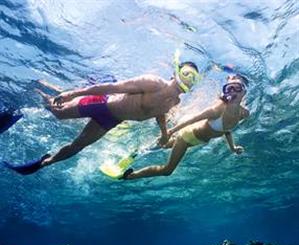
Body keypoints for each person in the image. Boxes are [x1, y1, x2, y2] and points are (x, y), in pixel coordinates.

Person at [4, 58, 201, 175]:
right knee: (57, 113)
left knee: (78, 146)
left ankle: (46, 161)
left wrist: (164, 133)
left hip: (110, 121)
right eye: (186, 73)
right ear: (176, 71)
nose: (188, 80)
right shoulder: (153, 83)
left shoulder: (175, 102)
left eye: (193, 78)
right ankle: (37, 86)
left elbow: (160, 115)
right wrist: (73, 93)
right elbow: (111, 87)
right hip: (101, 103)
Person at [122, 74, 250, 180]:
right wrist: (169, 132)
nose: (232, 92)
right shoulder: (217, 109)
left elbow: (226, 130)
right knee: (167, 171)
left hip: (195, 140)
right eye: (229, 88)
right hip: (186, 138)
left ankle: (136, 152)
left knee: (159, 147)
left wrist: (232, 148)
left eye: (237, 88)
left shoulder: (243, 113)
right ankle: (130, 176)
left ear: (244, 92)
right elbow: (192, 119)